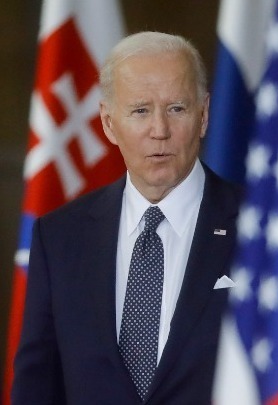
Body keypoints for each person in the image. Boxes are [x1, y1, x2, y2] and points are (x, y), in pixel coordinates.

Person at [12, 31, 241, 404]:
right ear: (108, 122)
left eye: (176, 108)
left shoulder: (257, 229)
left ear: (203, 115)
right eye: (140, 111)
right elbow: (36, 387)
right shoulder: (59, 237)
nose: (159, 131)